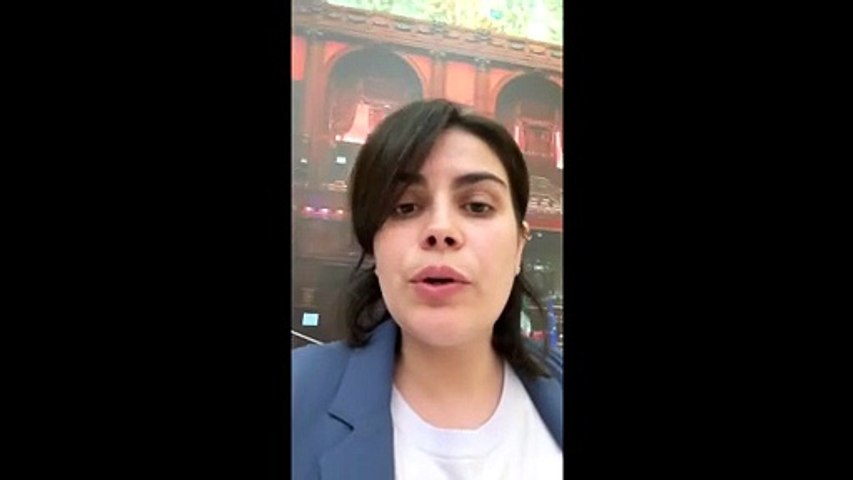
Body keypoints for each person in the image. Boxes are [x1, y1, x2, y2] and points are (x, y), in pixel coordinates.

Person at [292, 99, 563, 479]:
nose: (441, 229)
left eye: (477, 206)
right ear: (374, 247)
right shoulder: (299, 394)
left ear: (519, 244)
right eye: (405, 207)